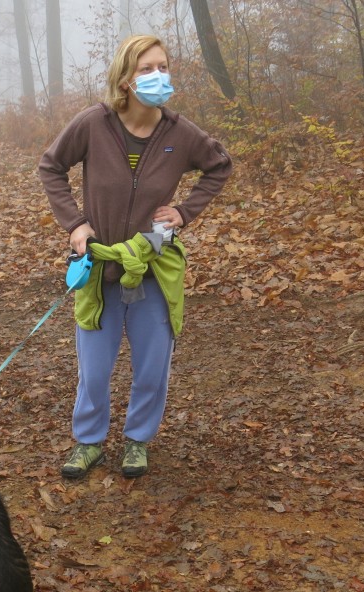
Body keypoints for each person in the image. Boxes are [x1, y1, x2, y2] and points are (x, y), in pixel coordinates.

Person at [38, 34, 233, 479]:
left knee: (151, 367)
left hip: (153, 265)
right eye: (146, 69)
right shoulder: (93, 123)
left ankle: (137, 441)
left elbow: (219, 166)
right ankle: (88, 443)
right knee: (94, 368)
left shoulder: (180, 133)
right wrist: (75, 223)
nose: (158, 76)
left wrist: (184, 212)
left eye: (163, 66)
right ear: (125, 79)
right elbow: (51, 166)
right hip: (100, 267)